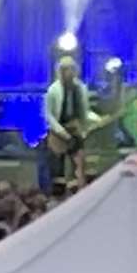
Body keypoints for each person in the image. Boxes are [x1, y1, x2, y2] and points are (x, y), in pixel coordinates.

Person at [43, 57, 96, 191]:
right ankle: (58, 191)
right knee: (57, 167)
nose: (69, 72)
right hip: (58, 133)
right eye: (65, 69)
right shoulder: (53, 90)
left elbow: (85, 111)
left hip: (76, 130)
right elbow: (49, 115)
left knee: (78, 163)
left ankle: (77, 189)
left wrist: (87, 126)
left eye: (71, 69)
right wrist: (61, 131)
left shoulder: (81, 88)